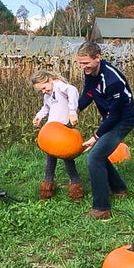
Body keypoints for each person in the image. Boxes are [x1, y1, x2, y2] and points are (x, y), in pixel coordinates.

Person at [76, 42, 134, 220]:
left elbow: (114, 116)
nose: (83, 67)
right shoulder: (91, 73)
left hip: (122, 120)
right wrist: (75, 110)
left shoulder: (112, 80)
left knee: (94, 157)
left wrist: (96, 136)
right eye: (80, 63)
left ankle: (101, 209)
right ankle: (119, 189)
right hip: (110, 118)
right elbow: (88, 93)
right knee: (98, 155)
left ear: (97, 57)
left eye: (86, 63)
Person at [30, 69, 84, 201]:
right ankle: (47, 189)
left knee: (68, 160)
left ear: (49, 80)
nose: (43, 91)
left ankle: (76, 189)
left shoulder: (59, 86)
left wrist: (72, 112)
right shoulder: (47, 95)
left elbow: (72, 90)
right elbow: (46, 108)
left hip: (64, 130)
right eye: (40, 90)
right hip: (52, 132)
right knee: (50, 162)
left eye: (44, 87)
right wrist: (39, 116)